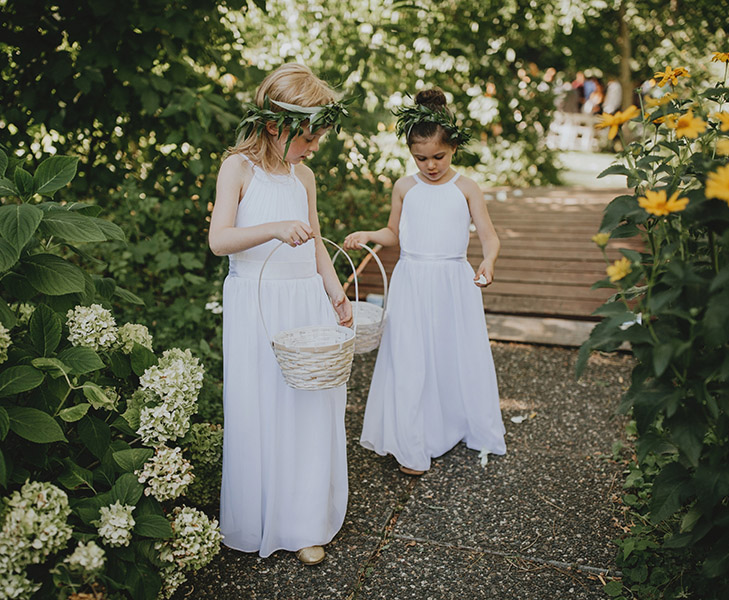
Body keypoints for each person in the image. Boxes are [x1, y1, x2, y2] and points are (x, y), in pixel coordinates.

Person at [209, 63, 353, 566]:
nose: (313, 148)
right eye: (308, 138)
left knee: (309, 410)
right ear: (275, 125)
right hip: (259, 305)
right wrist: (273, 227)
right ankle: (263, 514)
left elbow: (316, 244)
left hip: (305, 301)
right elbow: (219, 240)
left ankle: (305, 520)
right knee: (264, 407)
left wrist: (335, 293)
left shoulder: (304, 177)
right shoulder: (238, 170)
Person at [343, 88, 507, 476]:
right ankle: (413, 441)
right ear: (409, 152)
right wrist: (369, 234)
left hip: (453, 280)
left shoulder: (466, 187)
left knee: (451, 353)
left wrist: (489, 260)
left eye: (439, 156)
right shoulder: (405, 187)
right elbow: (394, 233)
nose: (431, 165)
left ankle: (452, 423)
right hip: (412, 280)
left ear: (453, 149)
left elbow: (489, 234)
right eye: (421, 158)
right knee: (411, 356)